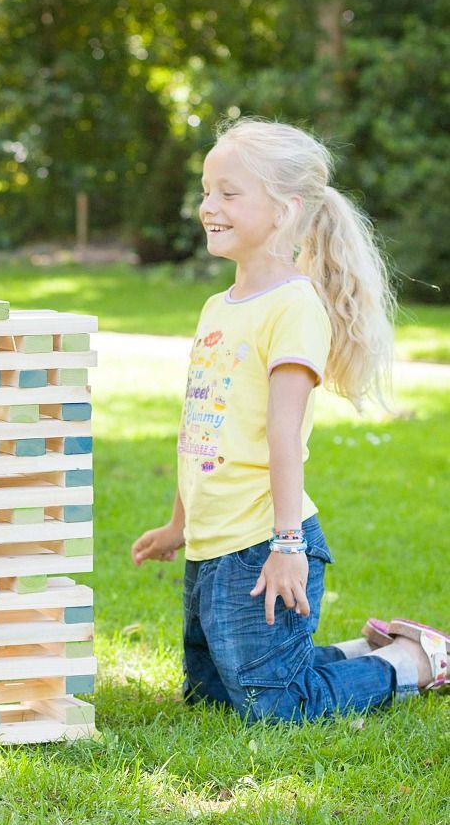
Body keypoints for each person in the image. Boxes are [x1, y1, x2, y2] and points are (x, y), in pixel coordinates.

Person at [131, 118, 448, 722]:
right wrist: (180, 525)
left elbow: (283, 436)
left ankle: (415, 663)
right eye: (205, 190)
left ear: (284, 210)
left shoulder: (295, 307)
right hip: (213, 544)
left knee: (275, 707)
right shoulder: (216, 307)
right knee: (211, 697)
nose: (208, 206)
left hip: (261, 545)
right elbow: (201, 429)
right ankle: (359, 650)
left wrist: (287, 545)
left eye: (229, 193)